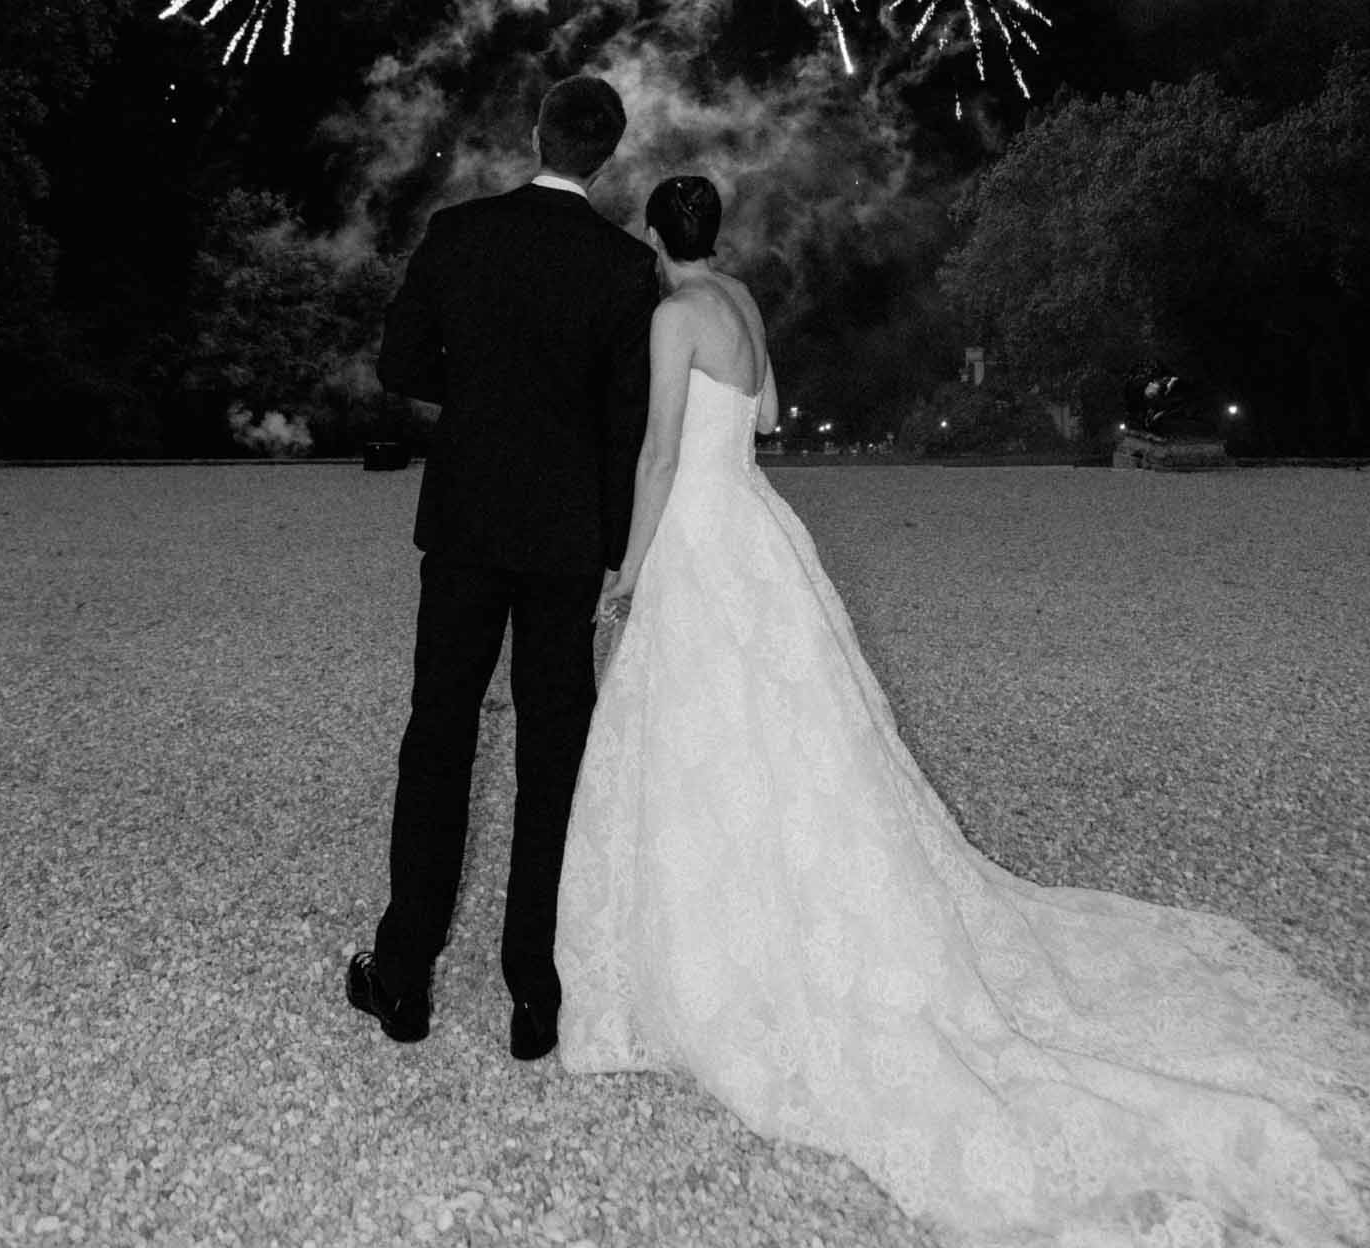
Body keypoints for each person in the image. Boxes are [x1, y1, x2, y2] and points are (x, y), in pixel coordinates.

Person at [557, 176, 1370, 1247]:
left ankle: (718, 946)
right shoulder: (744, 302)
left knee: (695, 733)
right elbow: (761, 413)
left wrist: (627, 564)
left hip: (701, 538)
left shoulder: (671, 313)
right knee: (789, 736)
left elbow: (659, 451)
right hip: (756, 524)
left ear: (654, 234)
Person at [347, 77, 659, 1061]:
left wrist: (474, 392)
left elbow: (399, 363)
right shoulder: (623, 267)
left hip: (470, 515)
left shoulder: (460, 230)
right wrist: (613, 543)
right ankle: (537, 988)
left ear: (535, 133)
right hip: (567, 529)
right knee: (551, 752)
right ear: (605, 154)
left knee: (438, 731)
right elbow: (625, 422)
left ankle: (403, 974)